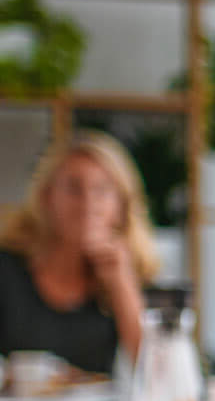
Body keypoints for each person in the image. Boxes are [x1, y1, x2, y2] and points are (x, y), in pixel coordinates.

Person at [0, 131, 159, 374]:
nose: (88, 202)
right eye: (73, 188)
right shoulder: (7, 267)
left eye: (102, 190)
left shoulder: (132, 276)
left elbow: (157, 373)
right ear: (47, 197)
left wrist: (122, 285)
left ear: (121, 206)